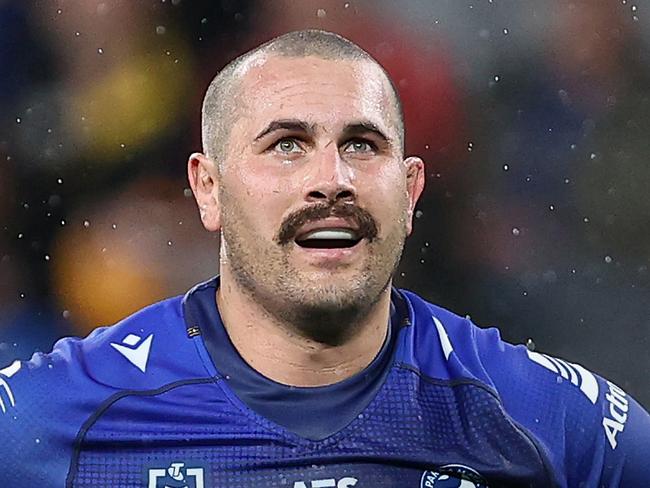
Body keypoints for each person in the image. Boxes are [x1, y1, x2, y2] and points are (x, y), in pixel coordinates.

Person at [1, 30, 648, 488]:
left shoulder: (534, 415)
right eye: (287, 145)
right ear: (209, 188)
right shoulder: (63, 416)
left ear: (411, 189)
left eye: (363, 145)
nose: (331, 178)